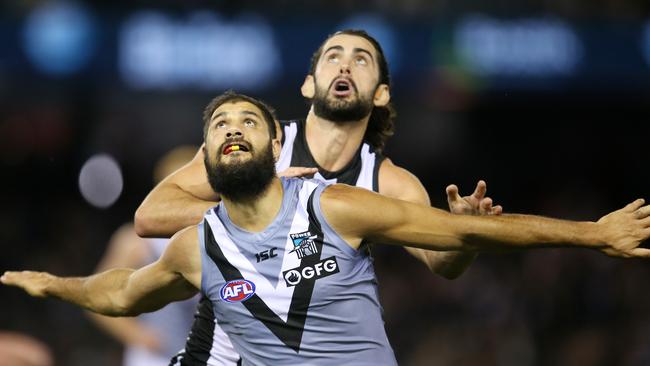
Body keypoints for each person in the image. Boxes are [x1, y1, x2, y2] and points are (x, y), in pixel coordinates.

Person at [3, 93, 649, 365]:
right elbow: (118, 292)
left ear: (278, 143)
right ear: (205, 158)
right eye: (219, 126)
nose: (232, 130)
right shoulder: (195, 248)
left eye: (247, 122)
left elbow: (466, 238)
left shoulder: (334, 206)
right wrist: (54, 285)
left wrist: (595, 234)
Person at [134, 29, 502, 364]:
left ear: (381, 93)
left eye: (361, 59)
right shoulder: (261, 142)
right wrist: (252, 209)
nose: (345, 66)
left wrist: (466, 234)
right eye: (333, 56)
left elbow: (441, 263)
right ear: (309, 85)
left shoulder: (389, 183)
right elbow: (151, 216)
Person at [86, 146, 199, 366]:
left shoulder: (217, 236)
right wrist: (137, 334)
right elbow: (95, 297)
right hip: (154, 358)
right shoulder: (138, 241)